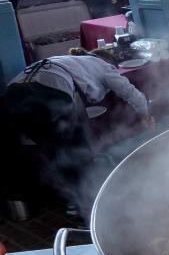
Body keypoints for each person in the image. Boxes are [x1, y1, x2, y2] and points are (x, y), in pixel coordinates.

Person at [1, 48, 151, 209]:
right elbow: (131, 93)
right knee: (78, 152)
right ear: (109, 62)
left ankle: (65, 200)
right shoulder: (102, 65)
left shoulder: (67, 60)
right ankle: (90, 205)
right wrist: (146, 116)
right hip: (47, 94)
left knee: (52, 150)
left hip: (11, 94)